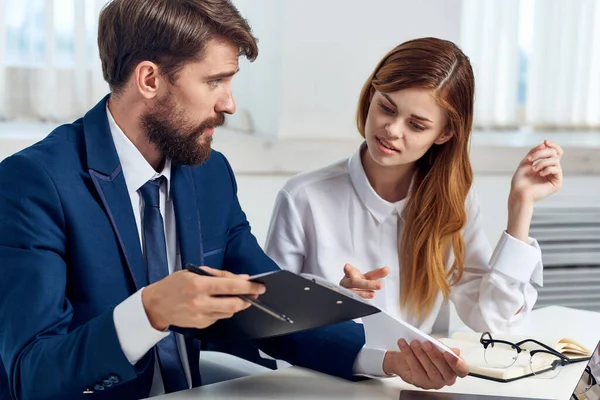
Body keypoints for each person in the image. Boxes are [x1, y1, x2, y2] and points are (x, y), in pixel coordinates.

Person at [0, 2, 468, 399]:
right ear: (149, 79)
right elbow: (31, 374)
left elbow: (266, 308)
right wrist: (149, 311)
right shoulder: (35, 183)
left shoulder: (210, 175)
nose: (229, 104)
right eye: (214, 82)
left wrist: (386, 360)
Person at [265, 37, 564, 337]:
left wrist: (520, 206)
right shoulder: (303, 197)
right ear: (371, 95)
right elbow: (271, 322)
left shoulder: (453, 201)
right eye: (387, 108)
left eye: (417, 125)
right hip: (323, 380)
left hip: (410, 382)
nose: (392, 130)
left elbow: (496, 320)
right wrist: (332, 301)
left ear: (445, 133)